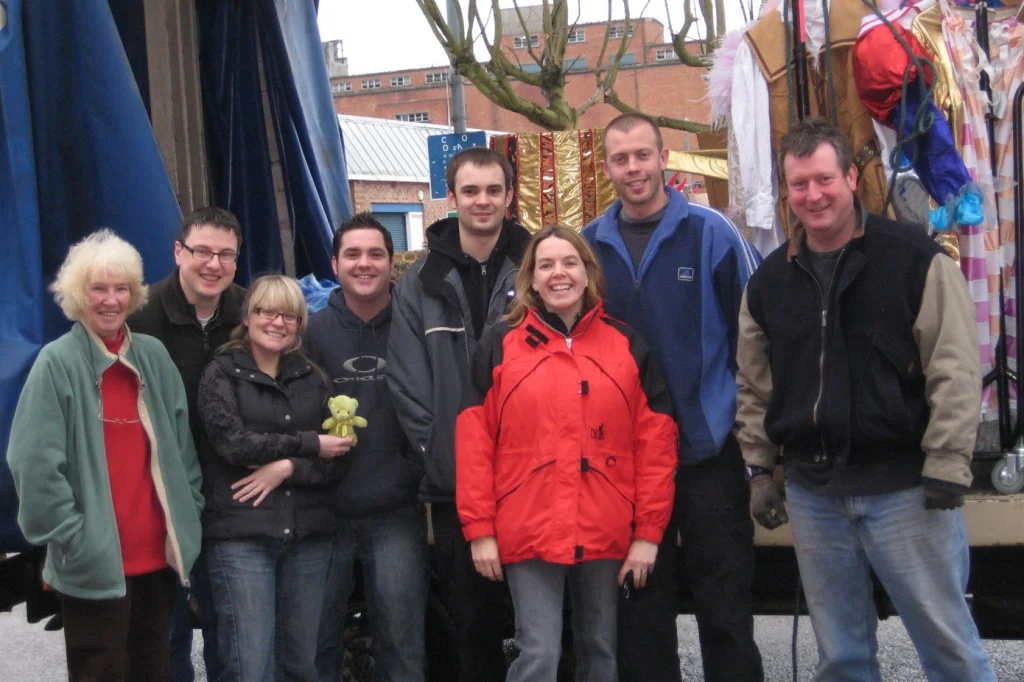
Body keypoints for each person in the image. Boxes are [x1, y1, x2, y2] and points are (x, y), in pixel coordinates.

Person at [735, 118, 996, 681]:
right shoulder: (767, 285)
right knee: (843, 657)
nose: (813, 195)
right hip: (814, 496)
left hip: (905, 491)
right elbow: (754, 387)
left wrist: (949, 461)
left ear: (852, 177)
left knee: (950, 649)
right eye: (799, 184)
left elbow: (954, 366)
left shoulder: (915, 259)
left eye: (824, 179)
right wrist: (759, 469)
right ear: (786, 190)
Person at [582, 112, 764, 682]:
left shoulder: (712, 233)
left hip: (708, 454)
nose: (632, 168)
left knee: (726, 612)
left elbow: (755, 338)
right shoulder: (588, 246)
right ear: (606, 166)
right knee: (642, 619)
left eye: (642, 155)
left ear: (664, 158)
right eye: (620, 158)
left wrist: (748, 434)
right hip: (626, 463)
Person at [456, 226, 678, 681]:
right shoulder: (501, 345)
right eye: (546, 264)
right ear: (531, 279)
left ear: (587, 272)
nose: (559, 273)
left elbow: (655, 444)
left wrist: (648, 534)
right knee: (537, 652)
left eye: (569, 262)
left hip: (604, 524)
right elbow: (474, 441)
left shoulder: (627, 345)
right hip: (528, 524)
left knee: (600, 650)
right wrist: (479, 529)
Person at [6, 229, 204, 682]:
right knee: (100, 672)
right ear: (79, 295)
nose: (111, 300)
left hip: (157, 554)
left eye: (121, 288)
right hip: (93, 561)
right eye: (99, 288)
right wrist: (70, 537)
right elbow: (31, 462)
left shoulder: (152, 355)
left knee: (155, 668)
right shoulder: (56, 363)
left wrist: (187, 509)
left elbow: (182, 445)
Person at [387, 147, 532, 681]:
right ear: (452, 197)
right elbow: (406, 383)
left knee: (543, 628)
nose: (482, 201)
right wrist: (445, 460)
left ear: (510, 196)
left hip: (533, 482)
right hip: (455, 490)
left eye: (494, 190)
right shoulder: (418, 283)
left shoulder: (541, 268)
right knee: (472, 630)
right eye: (470, 191)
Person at [196, 275, 352, 682]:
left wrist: (287, 466)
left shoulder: (314, 377)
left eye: (289, 315)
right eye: (266, 311)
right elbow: (233, 444)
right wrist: (307, 443)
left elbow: (337, 457)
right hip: (241, 537)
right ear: (247, 317)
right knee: (251, 666)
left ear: (300, 323)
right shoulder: (221, 373)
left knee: (304, 663)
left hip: (308, 537)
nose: (277, 322)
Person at [128, 206, 247, 682]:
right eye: (202, 252)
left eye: (226, 255)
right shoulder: (140, 316)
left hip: (228, 493)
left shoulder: (248, 312)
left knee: (228, 627)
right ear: (179, 251)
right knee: (167, 630)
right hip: (159, 496)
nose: (213, 264)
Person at [310, 213, 427, 681]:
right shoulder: (309, 333)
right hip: (324, 514)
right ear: (334, 263)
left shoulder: (415, 324)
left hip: (397, 510)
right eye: (353, 255)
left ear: (392, 263)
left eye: (376, 254)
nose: (365, 264)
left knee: (402, 648)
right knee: (316, 649)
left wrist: (413, 471)